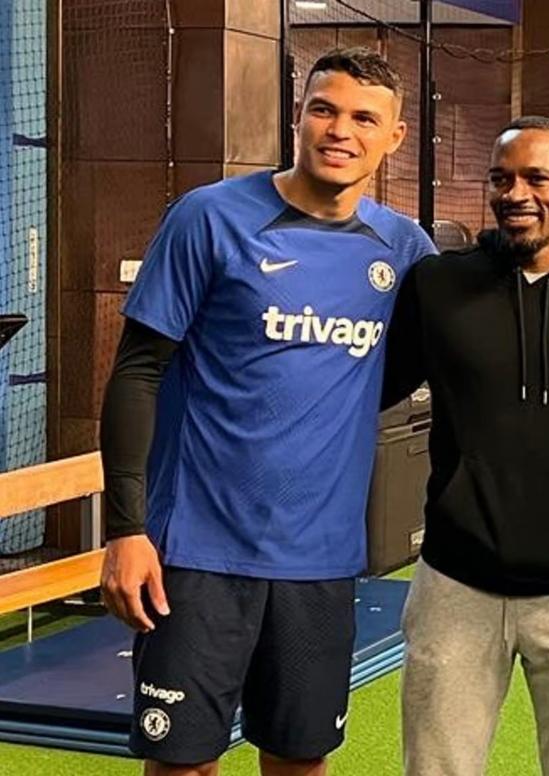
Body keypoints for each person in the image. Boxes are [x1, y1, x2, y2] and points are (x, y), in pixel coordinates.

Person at [97, 48, 436, 776]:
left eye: (363, 118)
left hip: (319, 561)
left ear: (395, 136)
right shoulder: (209, 219)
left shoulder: (404, 250)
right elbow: (137, 372)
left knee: (299, 757)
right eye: (324, 109)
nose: (340, 130)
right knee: (183, 762)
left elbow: (415, 357)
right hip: (196, 553)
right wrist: (127, 530)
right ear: (300, 115)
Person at [382, 116, 549, 776]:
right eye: (502, 178)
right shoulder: (438, 287)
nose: (516, 193)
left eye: (537, 177)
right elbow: (366, 387)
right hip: (455, 583)